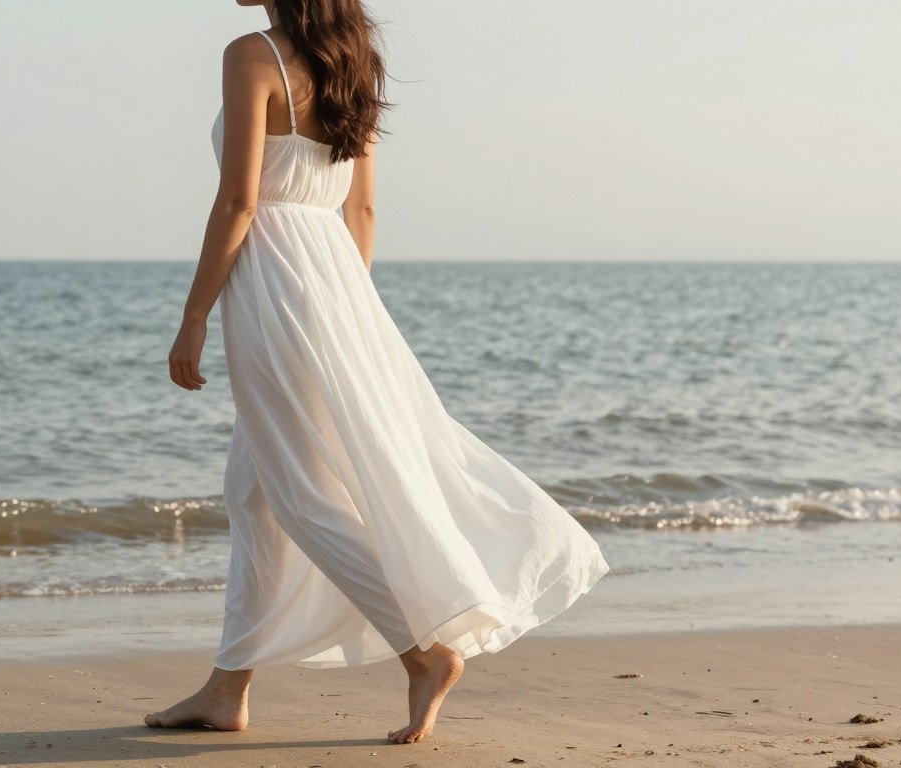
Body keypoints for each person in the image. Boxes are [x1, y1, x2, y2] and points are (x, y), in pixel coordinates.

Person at [152, 0, 610, 745]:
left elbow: (239, 200)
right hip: (335, 280)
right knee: (255, 488)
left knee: (299, 494)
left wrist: (195, 314)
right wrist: (346, 317)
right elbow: (362, 210)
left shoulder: (250, 54)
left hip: (270, 276)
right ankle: (227, 687)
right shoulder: (354, 57)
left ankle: (423, 650)